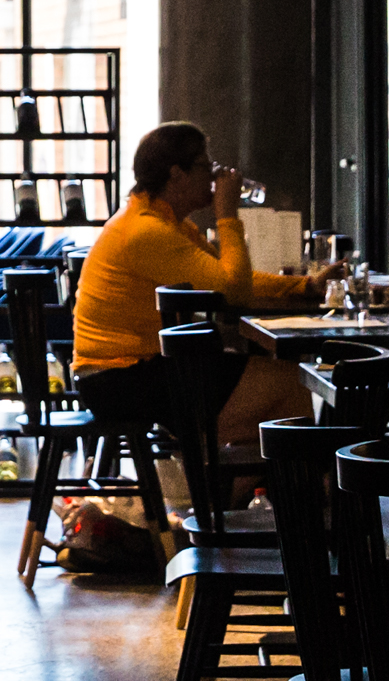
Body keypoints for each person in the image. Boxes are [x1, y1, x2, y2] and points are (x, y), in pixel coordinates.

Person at [71, 119, 318, 456]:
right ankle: (216, 477)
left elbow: (227, 277)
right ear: (177, 174)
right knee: (288, 384)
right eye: (205, 165)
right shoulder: (146, 232)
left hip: (129, 372)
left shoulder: (166, 224)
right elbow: (236, 292)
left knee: (281, 390)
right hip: (120, 378)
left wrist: (303, 286)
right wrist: (227, 216)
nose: (215, 175)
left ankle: (228, 487)